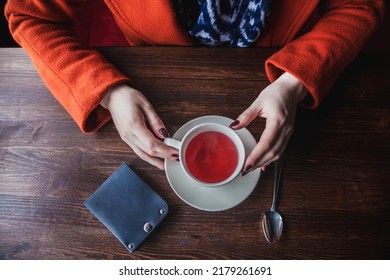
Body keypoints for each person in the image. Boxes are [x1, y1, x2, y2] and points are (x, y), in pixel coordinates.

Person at [5, 0, 385, 174]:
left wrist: (296, 79)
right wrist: (108, 92)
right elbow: (26, 15)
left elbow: (362, 4)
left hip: (278, 71)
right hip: (157, 82)